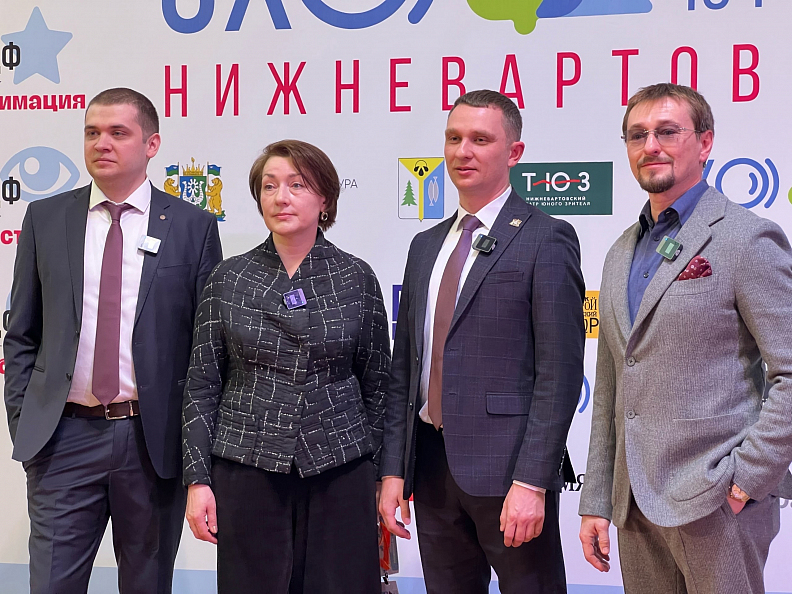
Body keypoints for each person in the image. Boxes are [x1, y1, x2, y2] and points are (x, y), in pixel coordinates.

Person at [3, 88, 222, 593]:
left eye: (118, 132)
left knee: (147, 584)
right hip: (62, 439)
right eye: (92, 132)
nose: (102, 143)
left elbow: (206, 349)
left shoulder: (192, 227)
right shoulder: (45, 218)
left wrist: (195, 451)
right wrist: (25, 420)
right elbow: (22, 334)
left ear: (151, 144)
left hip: (152, 443)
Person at [578, 83, 792, 593]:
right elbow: (609, 388)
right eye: (637, 135)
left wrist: (746, 479)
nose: (650, 145)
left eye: (667, 132)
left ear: (705, 142)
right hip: (634, 507)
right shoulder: (619, 252)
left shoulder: (746, 238)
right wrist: (597, 500)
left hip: (716, 501)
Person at [378, 89, 585, 593]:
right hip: (431, 468)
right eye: (453, 138)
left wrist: (532, 481)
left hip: (511, 473)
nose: (462, 151)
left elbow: (559, 374)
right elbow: (405, 367)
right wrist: (392, 470)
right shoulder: (424, 246)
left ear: (514, 152)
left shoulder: (546, 237)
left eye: (480, 139)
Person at [182, 139, 391, 594]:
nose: (281, 197)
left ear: (324, 199)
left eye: (298, 185)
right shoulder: (229, 278)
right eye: (270, 186)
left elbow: (378, 386)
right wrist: (197, 480)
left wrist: (382, 473)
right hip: (247, 468)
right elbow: (202, 385)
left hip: (340, 469)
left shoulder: (355, 277)